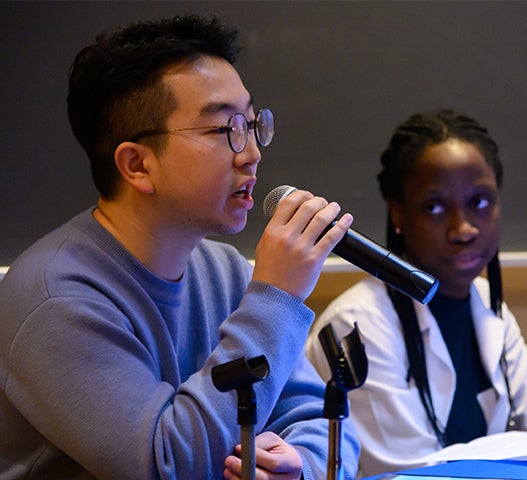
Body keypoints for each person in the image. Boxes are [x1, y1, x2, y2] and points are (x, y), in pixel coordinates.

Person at [0, 14, 360, 479]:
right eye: (222, 129)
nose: (251, 152)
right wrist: (277, 299)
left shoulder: (224, 270)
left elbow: (320, 417)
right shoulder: (54, 300)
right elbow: (166, 466)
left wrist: (298, 468)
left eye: (251, 123)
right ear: (137, 165)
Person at [306, 109, 527, 477]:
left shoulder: (487, 306)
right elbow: (407, 474)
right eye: (435, 206)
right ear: (399, 215)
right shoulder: (359, 325)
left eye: (479, 201)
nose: (463, 228)